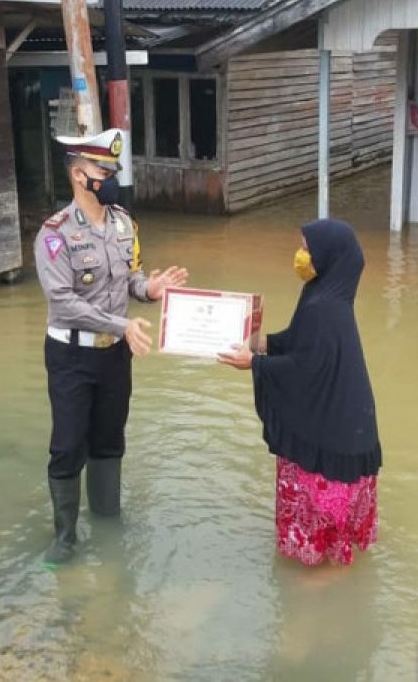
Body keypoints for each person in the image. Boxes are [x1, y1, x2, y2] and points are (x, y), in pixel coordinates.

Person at [34, 128, 188, 564]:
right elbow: (63, 302)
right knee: (67, 444)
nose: (113, 177)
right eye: (105, 170)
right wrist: (123, 324)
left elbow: (129, 279)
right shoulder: (54, 235)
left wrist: (150, 289)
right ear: (80, 175)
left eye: (114, 170)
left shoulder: (123, 223)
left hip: (115, 353)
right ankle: (64, 537)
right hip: (71, 355)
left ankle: (107, 519)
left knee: (109, 438)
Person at [218, 219, 380, 567]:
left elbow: (306, 367)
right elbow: (296, 342)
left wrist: (255, 364)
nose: (300, 255)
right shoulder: (324, 294)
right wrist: (255, 342)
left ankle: (323, 580)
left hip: (331, 432)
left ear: (327, 255)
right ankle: (330, 565)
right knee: (332, 543)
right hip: (346, 424)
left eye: (307, 249)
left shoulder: (325, 308)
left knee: (323, 551)